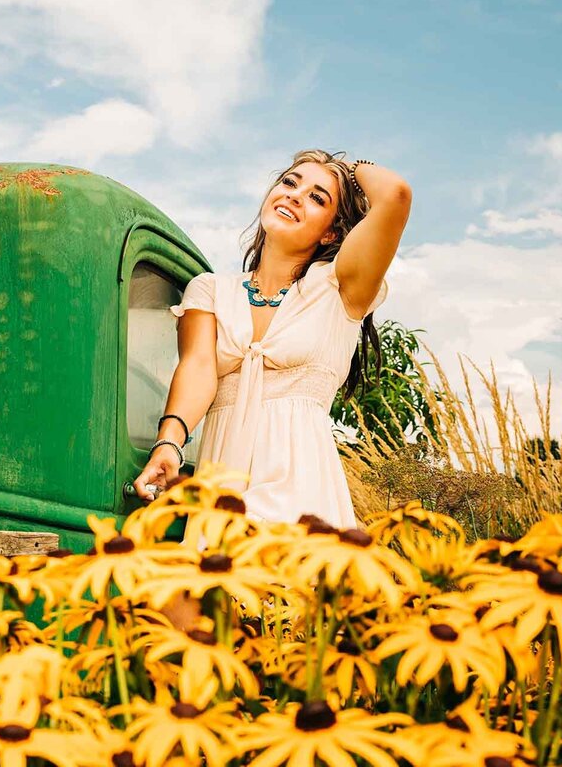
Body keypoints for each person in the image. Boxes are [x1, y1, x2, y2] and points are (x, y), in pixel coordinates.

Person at [131, 149, 411, 531]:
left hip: (303, 494)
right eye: (289, 182)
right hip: (222, 489)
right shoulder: (210, 290)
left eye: (317, 197)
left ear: (331, 231)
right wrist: (169, 444)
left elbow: (395, 194)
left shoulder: (340, 287)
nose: (295, 195)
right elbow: (197, 369)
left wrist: (347, 167)